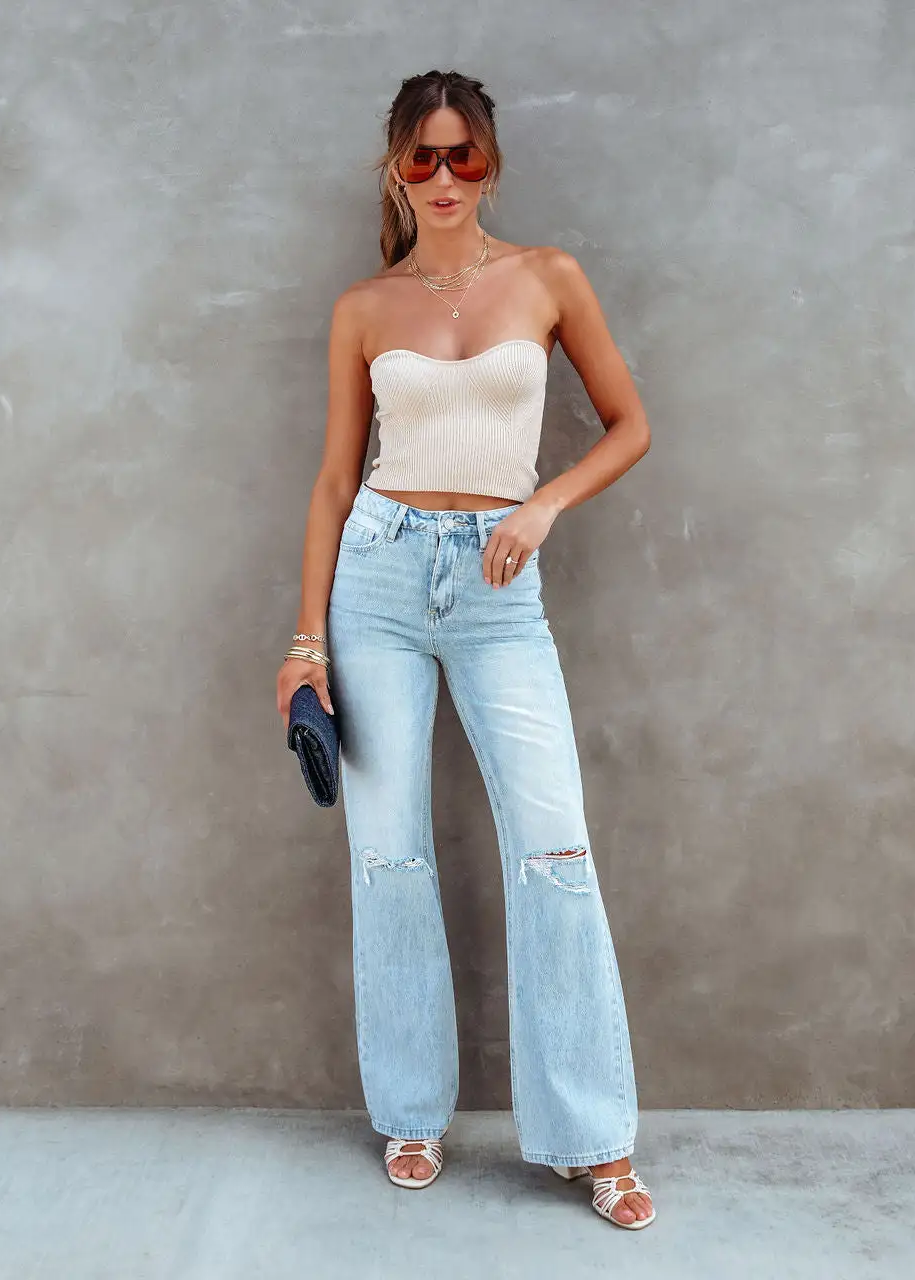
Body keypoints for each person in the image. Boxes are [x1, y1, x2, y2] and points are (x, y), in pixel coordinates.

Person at [277, 69, 655, 1231]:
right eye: (423, 157)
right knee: (388, 855)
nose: (444, 177)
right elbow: (335, 480)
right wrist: (304, 643)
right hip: (379, 576)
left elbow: (631, 425)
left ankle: (594, 1138)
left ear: (489, 161)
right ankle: (409, 1110)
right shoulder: (363, 306)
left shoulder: (547, 277)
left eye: (464, 155)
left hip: (499, 586)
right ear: (395, 168)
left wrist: (540, 506)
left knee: (554, 846)